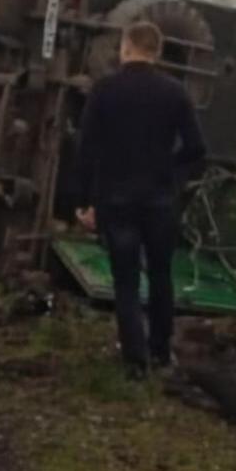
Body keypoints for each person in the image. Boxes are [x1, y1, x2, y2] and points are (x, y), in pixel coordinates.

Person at [74, 20, 207, 377]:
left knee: (126, 280)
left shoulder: (104, 90)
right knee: (162, 276)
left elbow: (87, 148)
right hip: (160, 200)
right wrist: (170, 170)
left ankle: (135, 360)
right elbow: (196, 148)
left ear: (127, 47)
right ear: (158, 52)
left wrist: (85, 201)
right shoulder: (175, 92)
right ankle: (162, 351)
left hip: (115, 199)